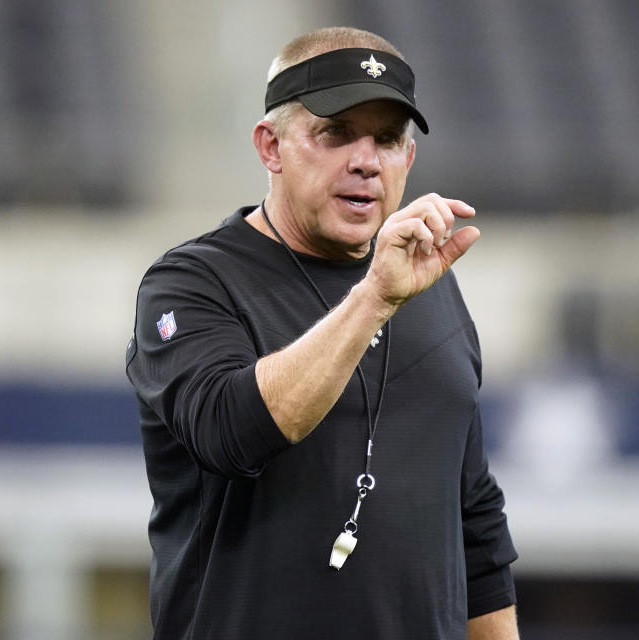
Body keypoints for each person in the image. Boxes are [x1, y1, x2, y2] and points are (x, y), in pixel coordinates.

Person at [125, 26, 519, 639]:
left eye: (387, 140)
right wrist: (373, 299)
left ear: (407, 160)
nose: (364, 160)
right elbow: (234, 432)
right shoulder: (191, 283)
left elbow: (474, 518)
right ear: (271, 146)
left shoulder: (430, 284)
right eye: (334, 133)